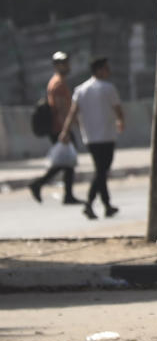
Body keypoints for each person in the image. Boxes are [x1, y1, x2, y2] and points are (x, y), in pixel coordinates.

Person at [60, 57, 125, 220]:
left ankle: (107, 205)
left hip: (89, 137)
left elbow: (72, 112)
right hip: (107, 136)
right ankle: (89, 203)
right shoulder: (108, 88)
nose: (108, 71)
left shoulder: (81, 89)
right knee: (102, 171)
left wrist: (65, 130)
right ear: (98, 70)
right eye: (106, 68)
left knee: (100, 170)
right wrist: (121, 122)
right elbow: (118, 109)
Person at [28, 51, 82, 205]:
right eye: (63, 63)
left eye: (67, 62)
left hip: (60, 127)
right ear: (56, 66)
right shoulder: (58, 84)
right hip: (59, 128)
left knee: (67, 163)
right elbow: (62, 109)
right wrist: (67, 129)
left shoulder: (59, 82)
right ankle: (40, 184)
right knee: (66, 162)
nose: (66, 66)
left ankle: (65, 194)